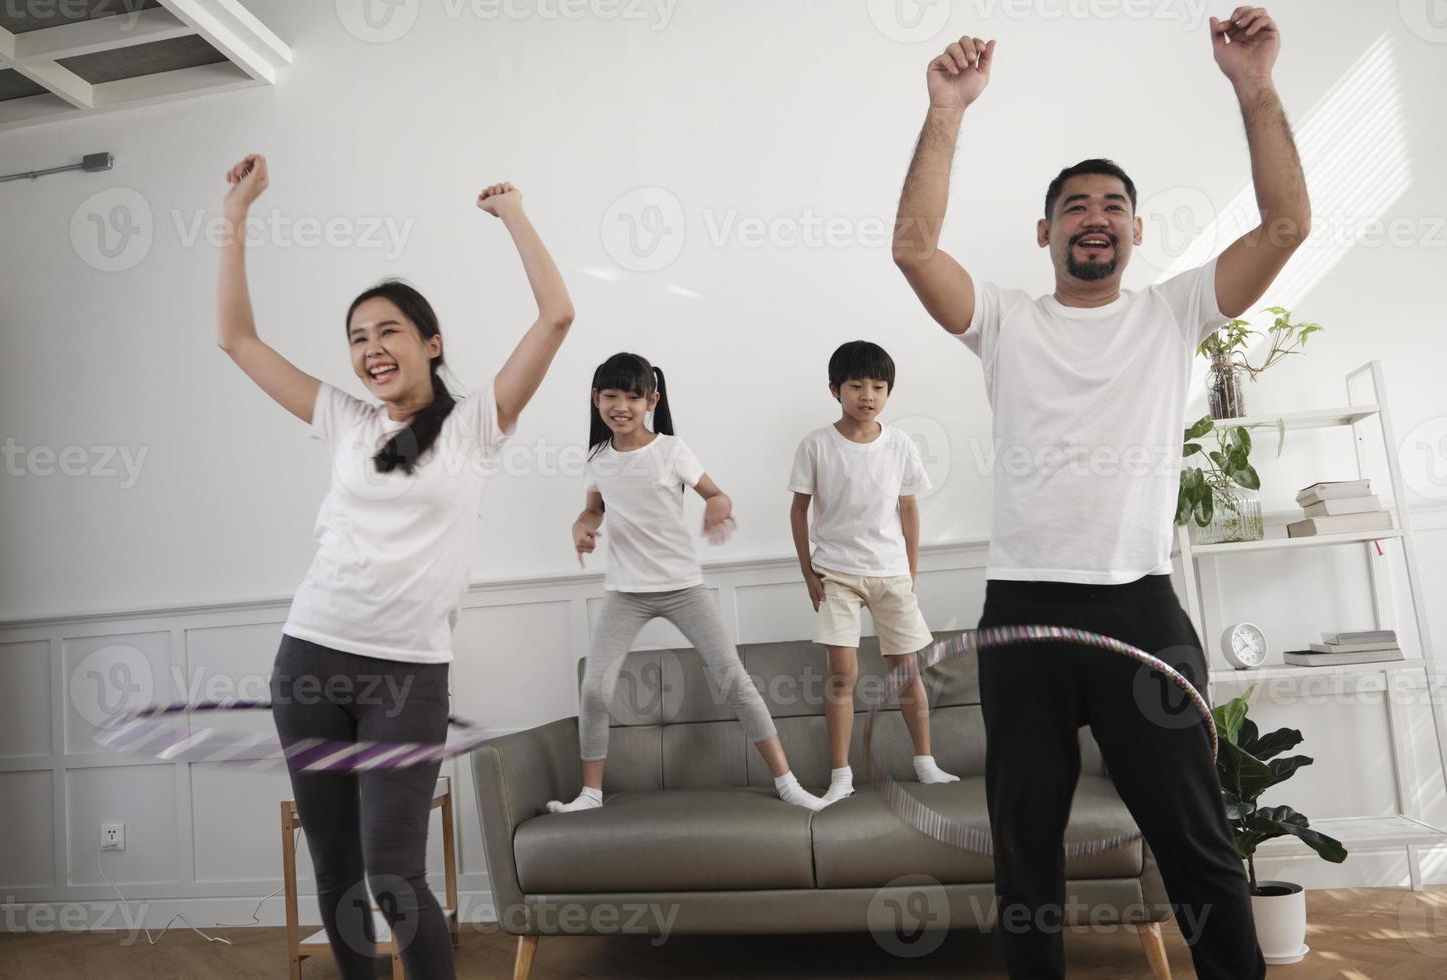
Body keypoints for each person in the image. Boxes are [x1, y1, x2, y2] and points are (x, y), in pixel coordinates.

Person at [892, 8, 1308, 978]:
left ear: (1134, 228)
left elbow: (1288, 225)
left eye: (1112, 204)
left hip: (1140, 609)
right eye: (1076, 206)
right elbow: (915, 249)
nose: (1094, 216)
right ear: (1046, 230)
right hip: (1024, 614)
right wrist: (946, 109)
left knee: (1200, 851)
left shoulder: (1174, 313)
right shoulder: (1005, 320)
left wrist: (1254, 86)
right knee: (1027, 861)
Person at [217, 157, 575, 980]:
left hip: (407, 677)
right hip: (309, 658)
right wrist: (236, 211)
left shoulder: (478, 423)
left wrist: (512, 213)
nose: (371, 350)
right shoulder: (342, 419)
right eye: (357, 338)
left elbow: (557, 315)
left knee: (394, 874)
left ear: (430, 343)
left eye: (388, 333)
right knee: (337, 873)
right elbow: (235, 338)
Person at [548, 352, 830, 814]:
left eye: (632, 397)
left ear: (651, 400)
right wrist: (582, 525)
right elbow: (594, 508)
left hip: (682, 587)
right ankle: (590, 794)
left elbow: (716, 493)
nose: (620, 406)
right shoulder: (598, 458)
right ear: (595, 399)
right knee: (596, 690)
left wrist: (718, 506)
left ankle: (788, 783)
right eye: (609, 396)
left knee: (734, 681)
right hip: (626, 593)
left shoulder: (671, 451)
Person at [788, 340, 960, 804]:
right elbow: (799, 510)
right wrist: (808, 573)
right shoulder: (817, 445)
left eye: (878, 387)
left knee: (907, 671)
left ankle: (925, 763)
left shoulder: (900, 444)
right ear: (834, 389)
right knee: (841, 672)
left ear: (888, 392)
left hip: (890, 573)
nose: (868, 395)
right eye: (856, 385)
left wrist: (911, 571)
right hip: (836, 574)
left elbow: (909, 510)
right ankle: (840, 774)